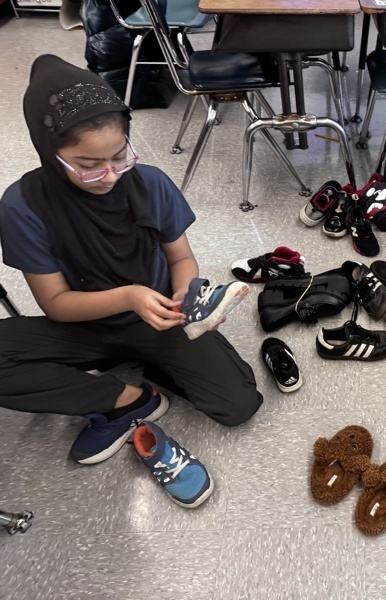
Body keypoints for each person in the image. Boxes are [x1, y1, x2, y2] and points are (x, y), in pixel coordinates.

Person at [0, 55, 262, 465]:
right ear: (50, 155)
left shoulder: (151, 183)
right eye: (88, 166)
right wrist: (130, 296)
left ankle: (146, 360)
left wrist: (187, 297)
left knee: (238, 404)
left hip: (158, 318)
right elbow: (55, 303)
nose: (109, 174)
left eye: (120, 155)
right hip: (82, 326)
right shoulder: (23, 206)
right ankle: (126, 399)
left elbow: (182, 259)